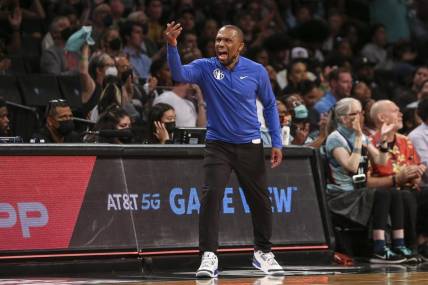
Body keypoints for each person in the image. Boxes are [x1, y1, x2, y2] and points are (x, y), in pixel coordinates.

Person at [165, 22, 284, 277]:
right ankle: (209, 255)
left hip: (250, 144)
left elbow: (271, 106)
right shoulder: (205, 67)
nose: (221, 44)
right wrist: (172, 46)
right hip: (218, 144)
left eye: (227, 41)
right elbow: (179, 74)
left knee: (260, 201)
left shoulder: (256, 71)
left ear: (240, 46)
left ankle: (262, 252)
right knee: (211, 197)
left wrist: (276, 142)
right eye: (218, 40)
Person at [325, 97, 407, 264]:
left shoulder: (362, 136)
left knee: (395, 193)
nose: (362, 116)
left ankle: (399, 243)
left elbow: (381, 160)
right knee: (382, 194)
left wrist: (383, 139)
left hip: (358, 193)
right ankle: (379, 248)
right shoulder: (335, 138)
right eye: (356, 113)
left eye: (361, 112)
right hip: (341, 196)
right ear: (344, 118)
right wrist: (357, 137)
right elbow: (352, 167)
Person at [367, 100, 426, 262]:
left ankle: (422, 244)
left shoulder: (405, 140)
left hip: (409, 190)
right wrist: (396, 180)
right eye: (395, 111)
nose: (400, 114)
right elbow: (367, 182)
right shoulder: (370, 143)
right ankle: (410, 247)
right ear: (382, 117)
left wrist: (416, 174)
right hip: (385, 194)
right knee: (403, 196)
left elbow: (417, 172)